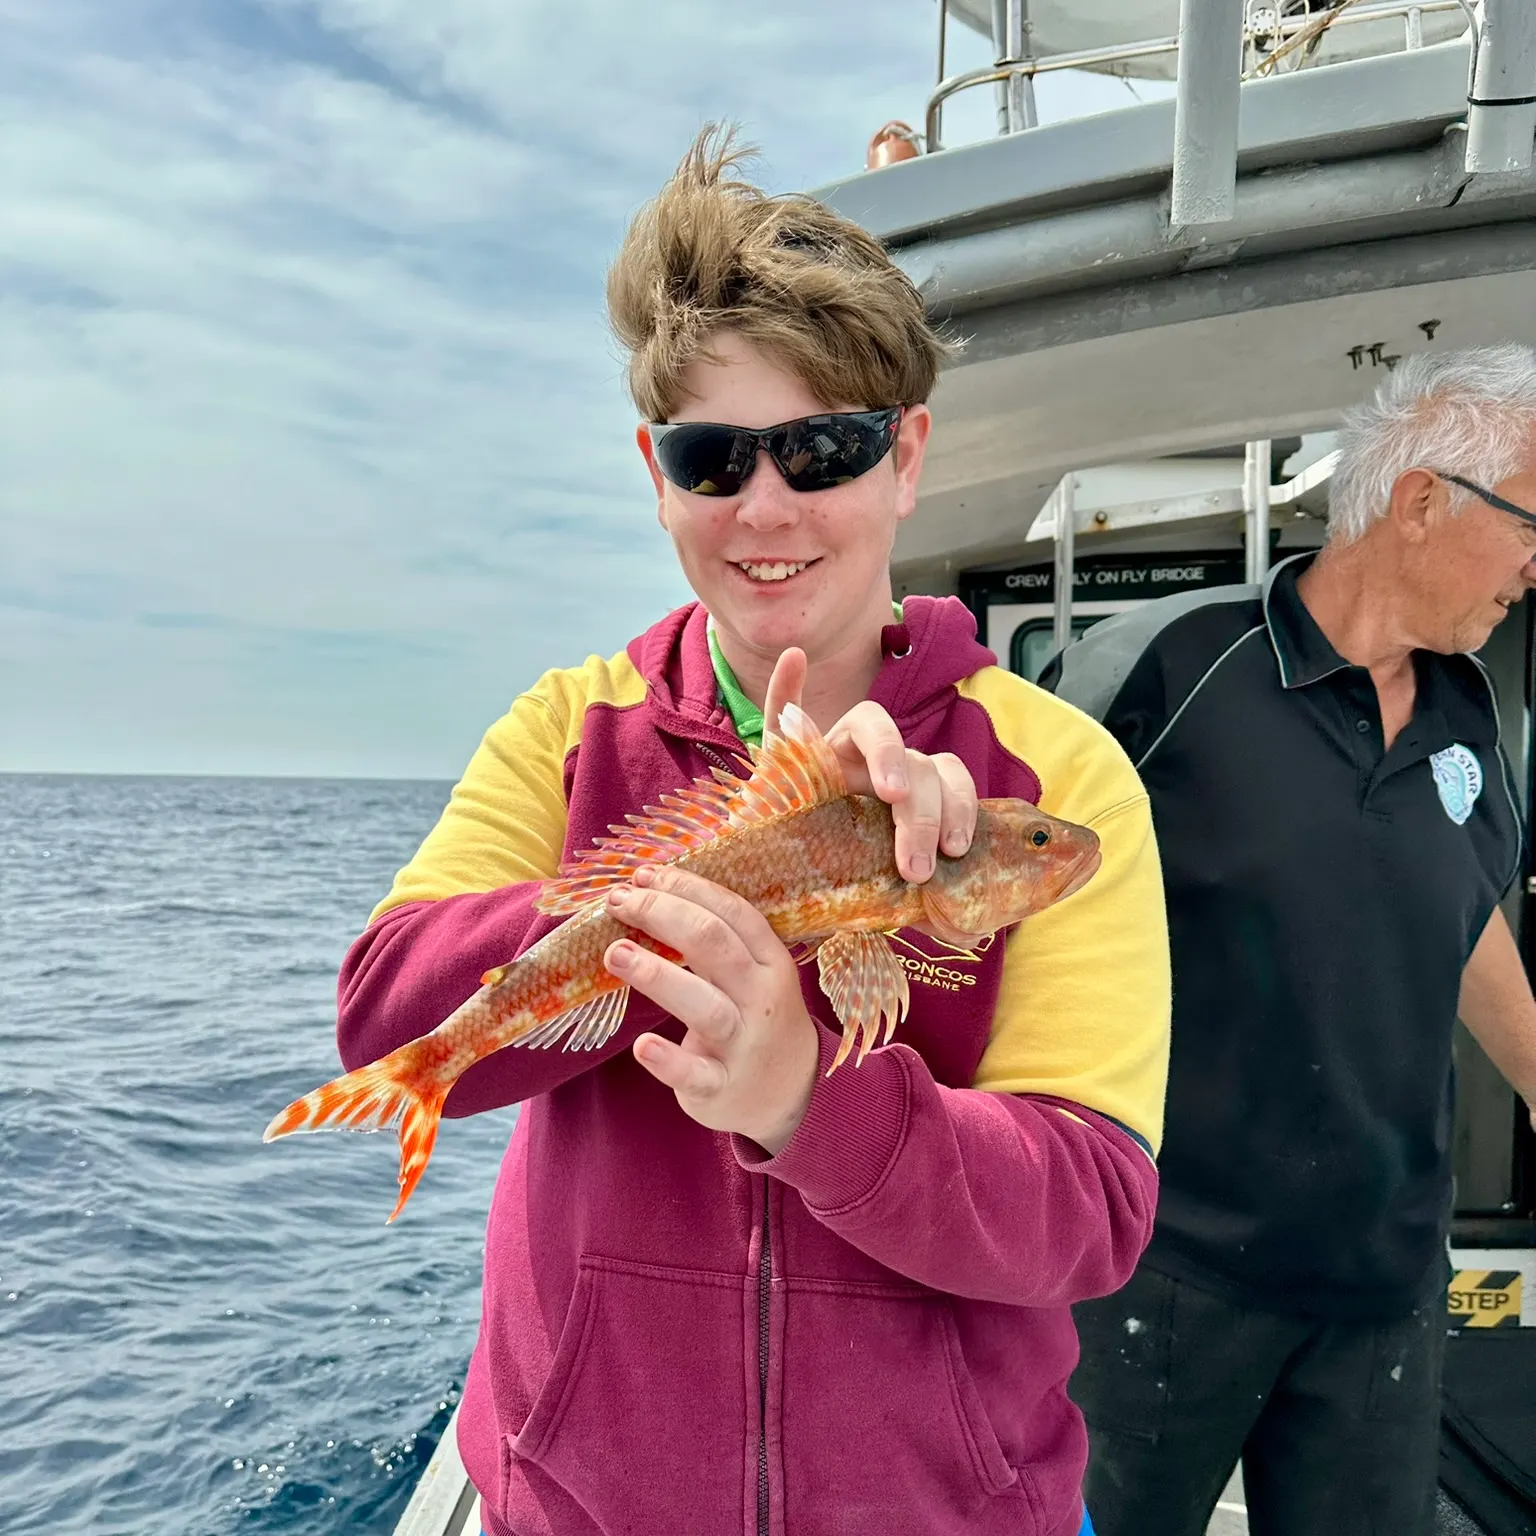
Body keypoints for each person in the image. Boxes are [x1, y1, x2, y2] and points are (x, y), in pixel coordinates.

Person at [335, 126, 1170, 1536]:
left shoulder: (1058, 782)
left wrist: (808, 1097)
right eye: (715, 457)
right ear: (655, 474)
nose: (767, 507)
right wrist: (714, 888)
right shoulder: (569, 730)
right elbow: (386, 1017)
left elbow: (1086, 1215)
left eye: (825, 448)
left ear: (906, 457)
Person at [1042, 344, 1536, 1536]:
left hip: (1384, 1295)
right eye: (1533, 524)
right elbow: (1004, 900)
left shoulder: (1472, 721)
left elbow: (1455, 920)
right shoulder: (1165, 666)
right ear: (1425, 502)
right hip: (1156, 1275)